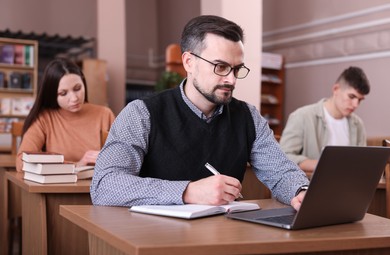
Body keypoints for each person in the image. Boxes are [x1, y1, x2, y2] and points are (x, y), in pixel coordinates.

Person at [91, 15, 309, 210]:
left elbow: (281, 173)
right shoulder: (141, 113)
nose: (231, 79)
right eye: (220, 67)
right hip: (154, 238)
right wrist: (187, 191)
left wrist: (300, 192)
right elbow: (105, 184)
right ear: (189, 62)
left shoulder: (249, 117)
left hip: (226, 237)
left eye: (236, 69)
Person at [16, 58, 115, 172]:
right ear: (52, 94)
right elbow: (21, 163)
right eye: (63, 93)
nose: (74, 98)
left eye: (77, 88)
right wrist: (76, 165)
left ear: (84, 84)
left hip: (98, 186)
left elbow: (124, 157)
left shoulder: (104, 114)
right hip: (59, 187)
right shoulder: (44, 118)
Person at [279, 66, 370, 173]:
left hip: (349, 185)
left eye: (360, 100)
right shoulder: (302, 116)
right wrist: (322, 165)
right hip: (310, 186)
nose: (355, 104)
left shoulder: (358, 124)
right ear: (336, 89)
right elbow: (283, 157)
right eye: (351, 96)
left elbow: (362, 162)